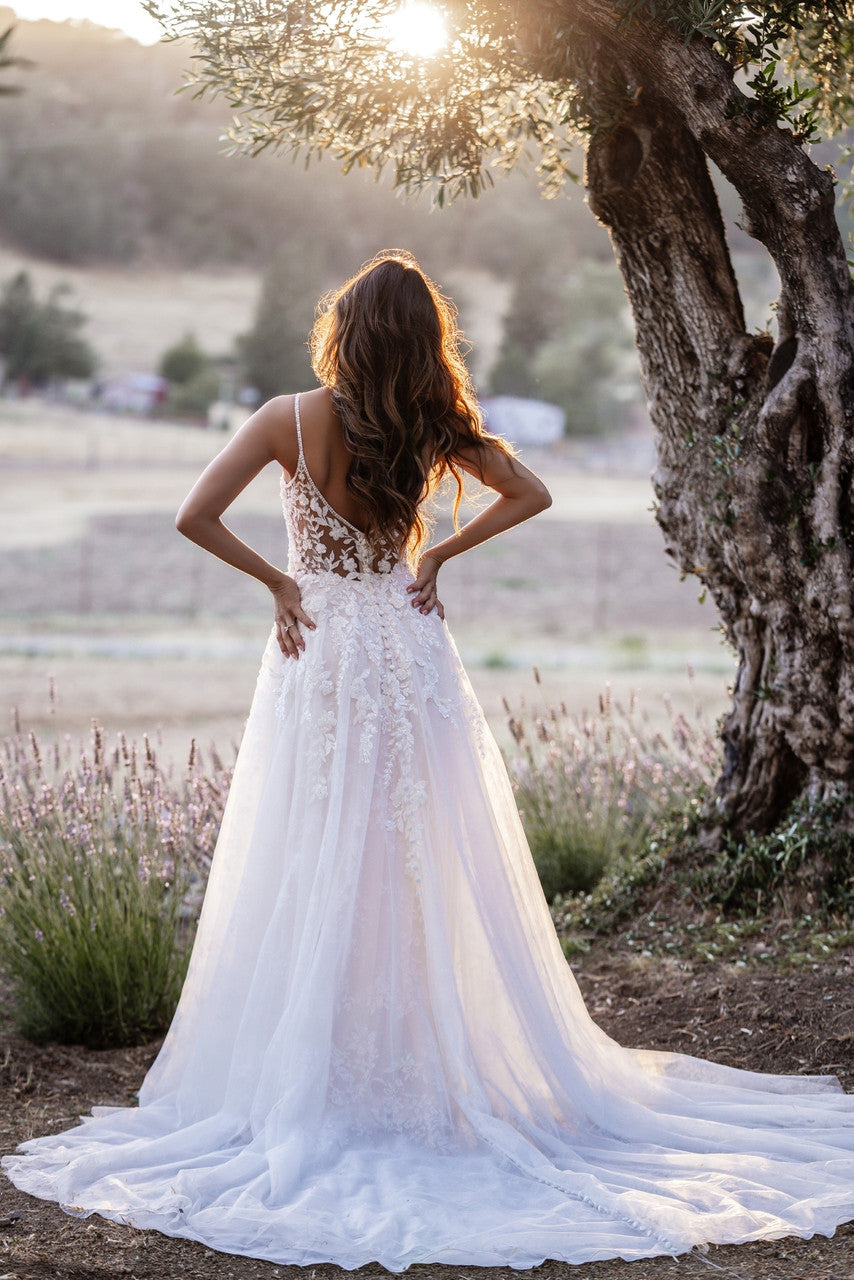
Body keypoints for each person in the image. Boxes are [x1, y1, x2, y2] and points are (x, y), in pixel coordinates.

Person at [3, 251, 854, 1270]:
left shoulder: (287, 417)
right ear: (421, 342)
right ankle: (423, 1056)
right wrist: (437, 556)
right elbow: (528, 489)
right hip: (404, 648)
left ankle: (322, 1068)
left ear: (344, 330)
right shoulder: (434, 425)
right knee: (421, 855)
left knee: (313, 846)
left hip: (319, 650)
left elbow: (194, 515)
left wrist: (281, 585)